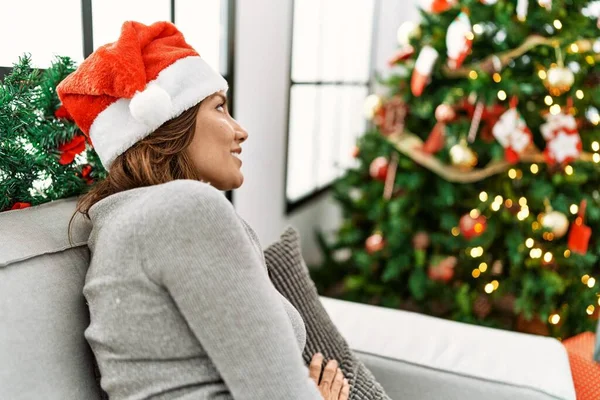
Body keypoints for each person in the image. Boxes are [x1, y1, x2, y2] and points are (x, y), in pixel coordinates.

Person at [61, 21, 350, 400]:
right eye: (220, 108)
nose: (240, 130)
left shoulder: (125, 222)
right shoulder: (184, 209)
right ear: (171, 121)